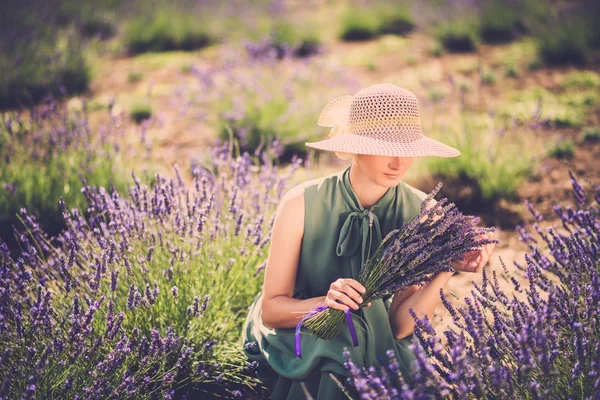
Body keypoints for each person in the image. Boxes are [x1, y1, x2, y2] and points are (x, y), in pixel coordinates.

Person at [242, 83, 497, 400]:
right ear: (356, 146)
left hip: (379, 339)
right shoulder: (301, 203)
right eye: (386, 147)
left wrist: (447, 263)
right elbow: (272, 310)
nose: (399, 162)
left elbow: (401, 327)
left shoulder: (423, 213)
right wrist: (326, 303)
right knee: (336, 356)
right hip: (305, 326)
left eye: (408, 149)